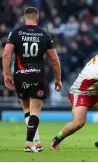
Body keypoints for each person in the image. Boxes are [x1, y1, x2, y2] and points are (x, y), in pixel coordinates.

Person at [2, 7, 62, 153]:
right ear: (38, 18)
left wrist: (6, 74)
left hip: (20, 75)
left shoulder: (15, 33)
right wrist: (58, 79)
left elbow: (6, 54)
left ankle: (37, 141)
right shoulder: (44, 35)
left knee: (27, 109)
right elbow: (54, 59)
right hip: (37, 75)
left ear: (24, 19)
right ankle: (29, 143)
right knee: (35, 110)